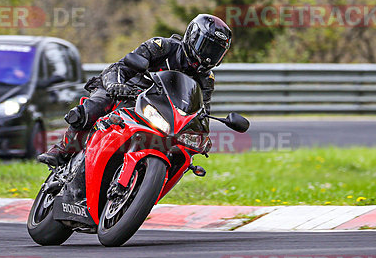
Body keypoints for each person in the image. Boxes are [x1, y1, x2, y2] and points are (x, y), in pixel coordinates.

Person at [37, 14, 232, 166]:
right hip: (126, 89)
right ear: (192, 36)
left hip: (159, 111)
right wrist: (116, 85)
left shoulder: (206, 80)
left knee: (178, 153)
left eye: (214, 52)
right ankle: (62, 149)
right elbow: (121, 66)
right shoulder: (162, 46)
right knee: (96, 105)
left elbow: (201, 112)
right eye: (205, 47)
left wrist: (202, 136)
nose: (207, 56)